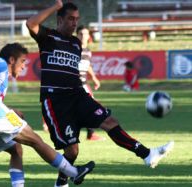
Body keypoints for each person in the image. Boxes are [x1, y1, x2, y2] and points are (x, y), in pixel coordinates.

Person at [26, 1, 174, 187]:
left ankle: (147, 154)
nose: (74, 23)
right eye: (70, 19)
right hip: (56, 101)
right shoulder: (48, 37)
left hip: (78, 95)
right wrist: (55, 5)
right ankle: (61, 183)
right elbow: (30, 24)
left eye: (77, 19)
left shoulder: (76, 43)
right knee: (72, 152)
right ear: (60, 19)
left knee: (110, 121)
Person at [0, 43, 95, 187]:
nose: (23, 66)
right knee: (36, 140)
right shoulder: (0, 63)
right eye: (22, 61)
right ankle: (73, 172)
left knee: (16, 150)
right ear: (11, 60)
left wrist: (11, 111)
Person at [76, 25, 105, 141]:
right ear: (77, 35)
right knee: (91, 107)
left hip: (84, 83)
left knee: (89, 107)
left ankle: (90, 133)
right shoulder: (73, 49)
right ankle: (90, 133)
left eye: (85, 34)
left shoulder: (87, 51)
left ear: (89, 36)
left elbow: (87, 65)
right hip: (75, 84)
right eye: (81, 34)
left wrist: (94, 77)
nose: (83, 37)